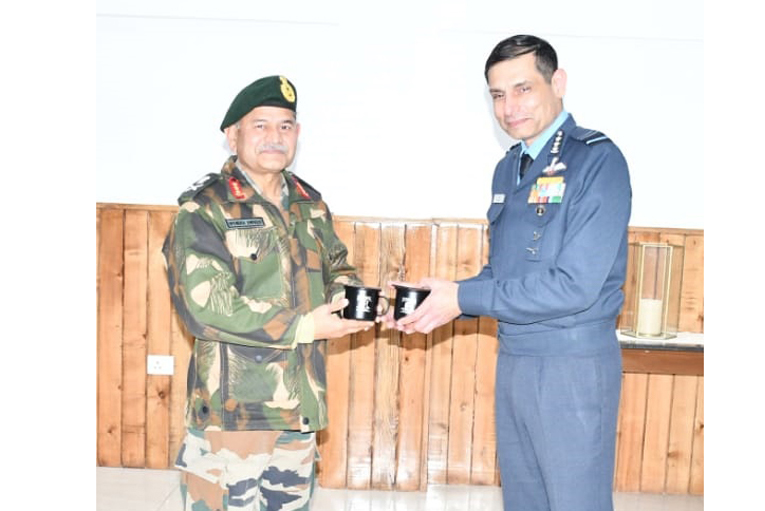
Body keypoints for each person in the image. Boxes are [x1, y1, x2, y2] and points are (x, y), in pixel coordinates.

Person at [389, 35, 632, 511]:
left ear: (557, 83)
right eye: (498, 95)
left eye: (523, 89)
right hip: (515, 358)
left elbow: (574, 286)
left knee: (575, 502)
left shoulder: (596, 160)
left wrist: (462, 299)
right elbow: (501, 273)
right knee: (524, 502)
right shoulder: (510, 168)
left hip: (571, 365)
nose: (509, 107)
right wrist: (439, 299)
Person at [162, 75, 373, 511]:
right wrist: (305, 326)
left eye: (285, 125)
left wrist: (354, 300)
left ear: (297, 133)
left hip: (299, 410)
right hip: (233, 419)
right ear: (232, 135)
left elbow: (337, 268)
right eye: (260, 125)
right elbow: (206, 307)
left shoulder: (309, 205)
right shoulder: (205, 209)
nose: (275, 136)